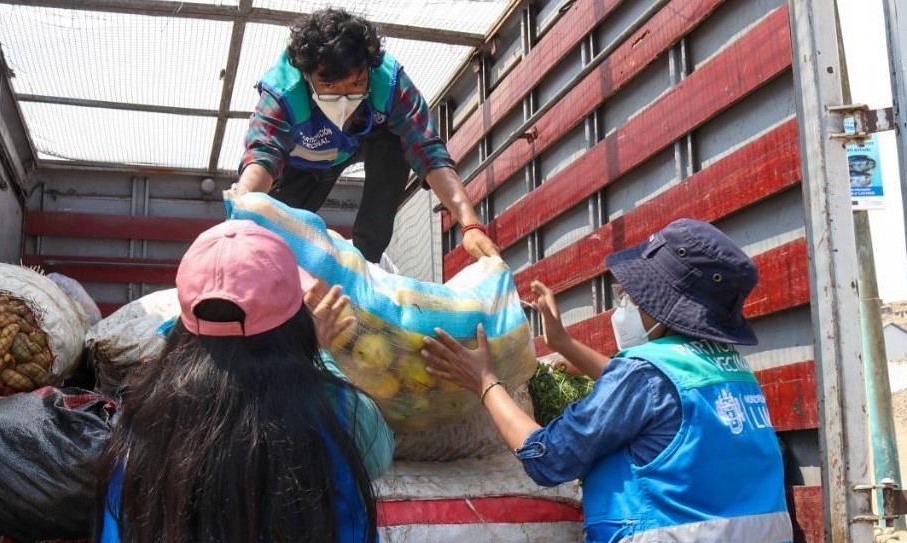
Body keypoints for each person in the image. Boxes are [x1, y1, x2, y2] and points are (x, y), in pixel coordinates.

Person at [421, 218, 793, 542]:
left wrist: (484, 381)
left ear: (666, 309)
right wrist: (563, 343)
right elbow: (654, 398)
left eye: (633, 297)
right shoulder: (732, 371)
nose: (625, 303)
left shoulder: (646, 375)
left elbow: (548, 457)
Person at [94, 220, 394, 542]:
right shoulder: (334, 406)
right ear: (295, 323)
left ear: (184, 324)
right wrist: (321, 357)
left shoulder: (144, 417)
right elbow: (378, 453)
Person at [233, 7, 498, 264]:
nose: (344, 98)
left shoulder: (390, 82)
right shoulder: (282, 93)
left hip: (363, 141)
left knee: (399, 142)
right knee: (267, 232)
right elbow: (262, 156)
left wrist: (470, 224)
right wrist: (240, 215)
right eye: (328, 85)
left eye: (356, 84)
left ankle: (367, 259)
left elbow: (428, 149)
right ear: (306, 74)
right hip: (304, 165)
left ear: (369, 70)